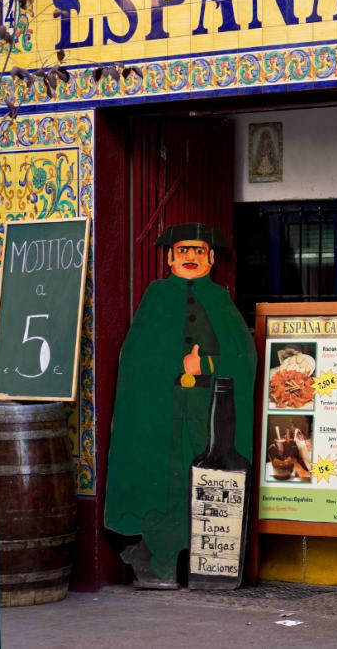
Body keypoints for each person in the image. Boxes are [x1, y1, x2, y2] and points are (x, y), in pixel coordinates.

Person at [105, 222, 256, 588]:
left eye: (199, 251)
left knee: (204, 480)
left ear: (212, 259)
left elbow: (242, 356)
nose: (191, 257)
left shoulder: (220, 300)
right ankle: (159, 564)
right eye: (184, 251)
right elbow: (137, 358)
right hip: (163, 410)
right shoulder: (155, 297)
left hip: (210, 411)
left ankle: (207, 565)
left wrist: (203, 366)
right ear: (170, 257)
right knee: (166, 483)